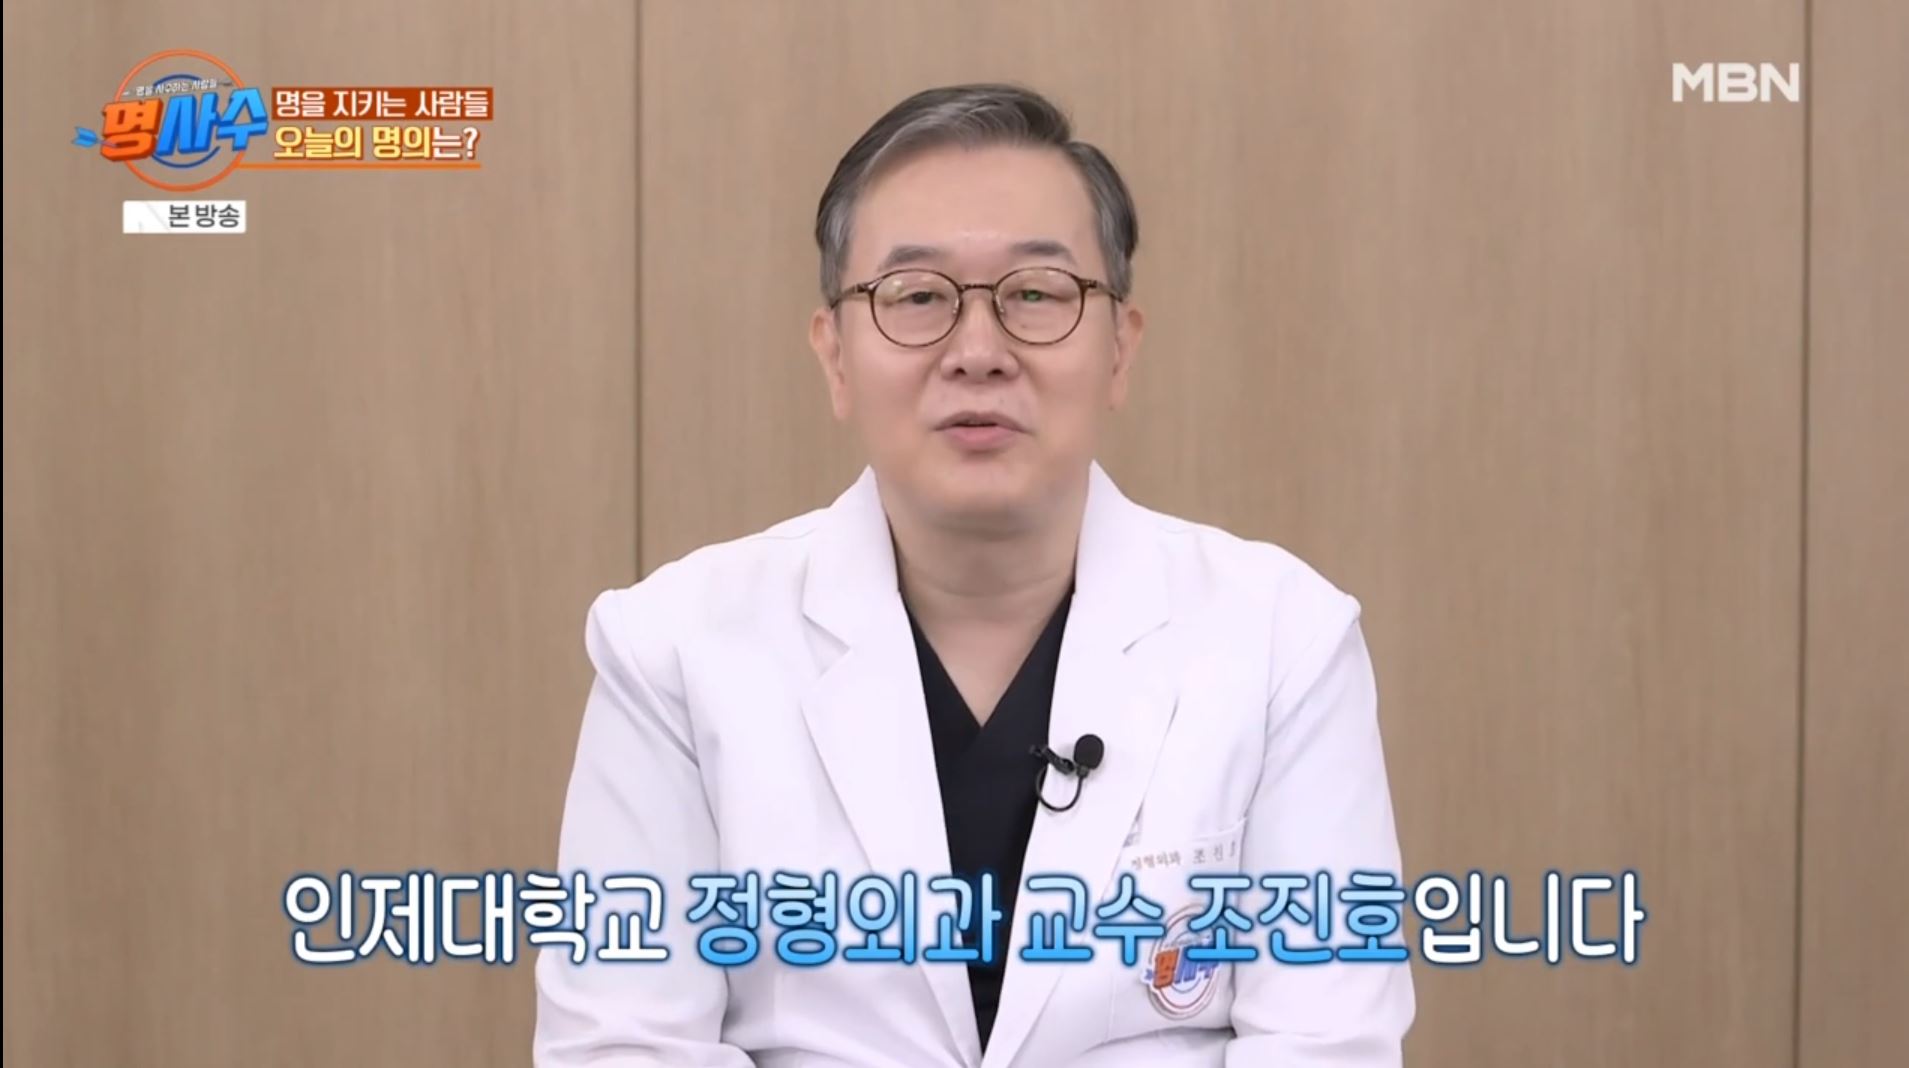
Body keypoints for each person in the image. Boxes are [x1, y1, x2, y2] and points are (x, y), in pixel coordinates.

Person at [534, 83, 1414, 1068]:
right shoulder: (674, 649)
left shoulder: (1282, 640)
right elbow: (623, 1044)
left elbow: (1327, 1044)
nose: (979, 352)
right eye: (917, 297)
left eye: (1035, 294)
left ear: (1119, 348)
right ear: (834, 356)